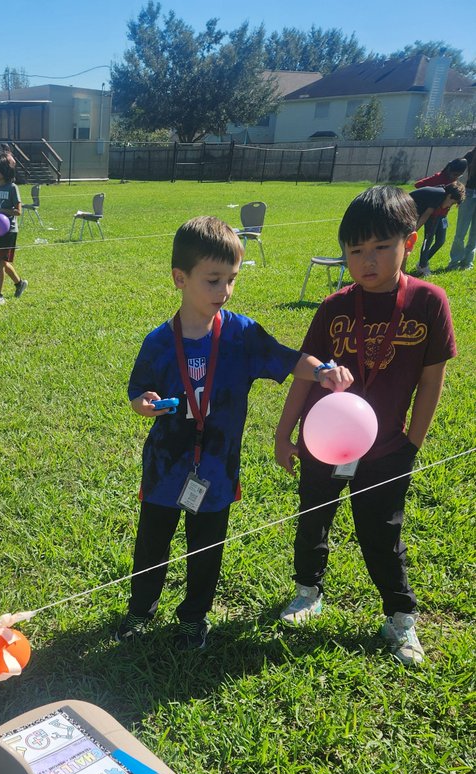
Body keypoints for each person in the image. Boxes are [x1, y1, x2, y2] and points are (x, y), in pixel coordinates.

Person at [116, 216, 352, 650]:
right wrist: (143, 404)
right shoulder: (158, 342)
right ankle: (140, 609)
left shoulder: (241, 334)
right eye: (213, 280)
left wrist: (321, 371)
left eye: (231, 280)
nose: (223, 291)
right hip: (166, 468)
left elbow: (287, 358)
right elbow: (137, 392)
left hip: (217, 469)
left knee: (206, 548)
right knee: (152, 542)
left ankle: (194, 616)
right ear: (179, 278)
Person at [274, 185, 456, 665]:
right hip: (322, 444)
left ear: (409, 243)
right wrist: (283, 432)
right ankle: (307, 590)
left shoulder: (428, 302)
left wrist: (411, 442)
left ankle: (400, 618)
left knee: (381, 531)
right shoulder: (334, 307)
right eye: (356, 251)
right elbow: (304, 373)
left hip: (386, 449)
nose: (367, 261)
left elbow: (431, 380)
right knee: (312, 519)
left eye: (381, 248)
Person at [0, 153, 27, 305]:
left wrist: (0, 211)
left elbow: (18, 211)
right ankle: (19, 283)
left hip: (10, 231)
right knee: (2, 262)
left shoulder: (12, 188)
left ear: (6, 170)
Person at [409, 181, 464, 275]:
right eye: (452, 203)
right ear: (449, 195)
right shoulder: (439, 194)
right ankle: (423, 266)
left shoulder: (446, 197)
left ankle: (422, 262)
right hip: (431, 215)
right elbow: (426, 214)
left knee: (440, 241)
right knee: (428, 240)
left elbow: (445, 207)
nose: (450, 206)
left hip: (440, 216)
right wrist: (414, 230)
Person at [447, 147, 476, 270]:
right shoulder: (470, 155)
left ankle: (468, 262)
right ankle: (454, 261)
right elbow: (456, 170)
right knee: (461, 231)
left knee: (474, 234)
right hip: (468, 194)